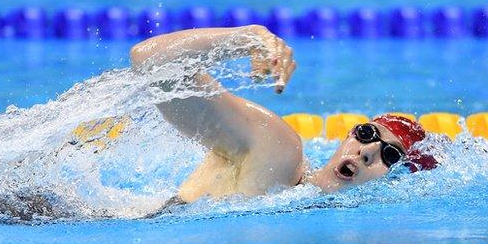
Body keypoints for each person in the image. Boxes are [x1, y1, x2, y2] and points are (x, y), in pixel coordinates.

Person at [130, 25, 438, 204]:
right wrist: (248, 38)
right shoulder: (279, 151)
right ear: (348, 136)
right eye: (367, 134)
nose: (368, 150)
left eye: (391, 155)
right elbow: (149, 61)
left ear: (397, 182)